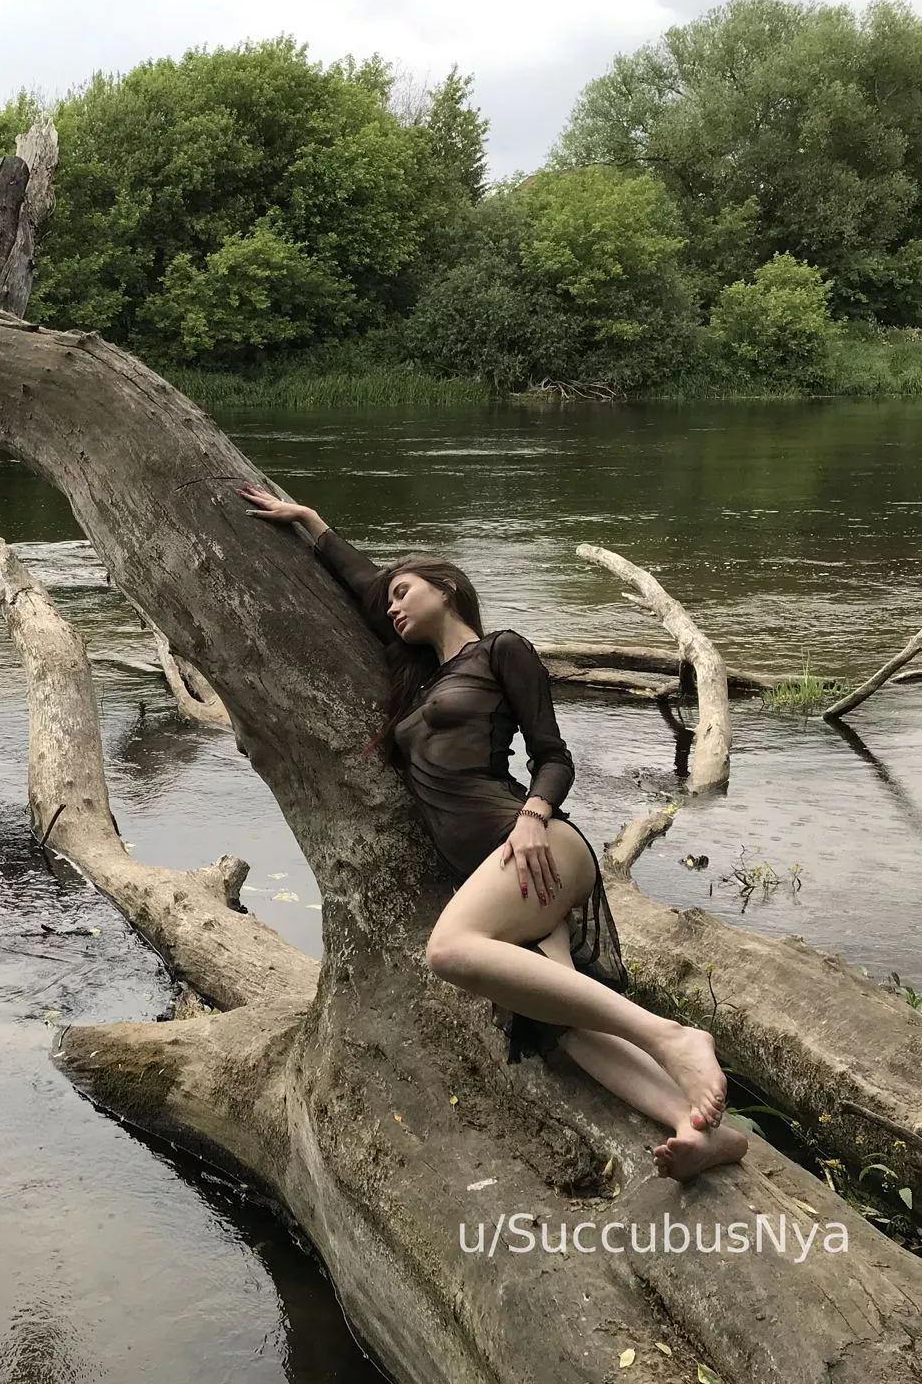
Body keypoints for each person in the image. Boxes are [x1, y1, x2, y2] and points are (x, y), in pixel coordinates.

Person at [238, 482, 745, 1180]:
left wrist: (535, 818)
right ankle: (695, 1127)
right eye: (388, 601)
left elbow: (554, 756)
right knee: (561, 1027)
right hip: (500, 879)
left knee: (448, 951)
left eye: (405, 592)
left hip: (534, 846)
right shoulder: (417, 681)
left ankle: (677, 1037)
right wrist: (312, 526)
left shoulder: (502, 650)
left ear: (446, 587)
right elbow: (363, 586)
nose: (392, 606)